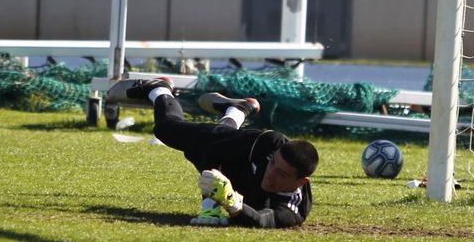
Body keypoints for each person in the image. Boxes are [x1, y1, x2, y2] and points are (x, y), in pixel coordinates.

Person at [105, 77, 317, 228]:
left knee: (221, 138)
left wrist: (231, 201)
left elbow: (260, 221)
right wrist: (210, 206)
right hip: (225, 153)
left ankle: (238, 109)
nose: (270, 174)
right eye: (272, 164)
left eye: (282, 174)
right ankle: (159, 89)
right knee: (167, 130)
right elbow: (212, 150)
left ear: (301, 182)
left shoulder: (293, 210)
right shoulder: (270, 145)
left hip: (235, 176)